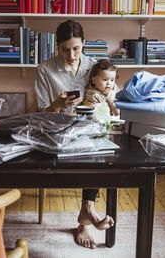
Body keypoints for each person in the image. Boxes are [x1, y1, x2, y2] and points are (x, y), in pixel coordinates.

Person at [34, 20, 114, 249]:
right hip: (57, 129)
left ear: (84, 44)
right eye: (65, 49)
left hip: (90, 128)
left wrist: (105, 96)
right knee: (79, 152)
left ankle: (86, 210)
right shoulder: (45, 69)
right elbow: (41, 113)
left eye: (76, 48)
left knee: (102, 152)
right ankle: (87, 212)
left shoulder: (94, 66)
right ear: (57, 47)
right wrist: (57, 104)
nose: (71, 55)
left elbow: (111, 91)